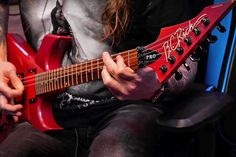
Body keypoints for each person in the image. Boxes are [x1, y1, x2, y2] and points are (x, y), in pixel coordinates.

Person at [0, 0, 200, 156]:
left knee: (114, 151)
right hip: (47, 107)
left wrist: (155, 83)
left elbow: (185, 56)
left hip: (129, 106)